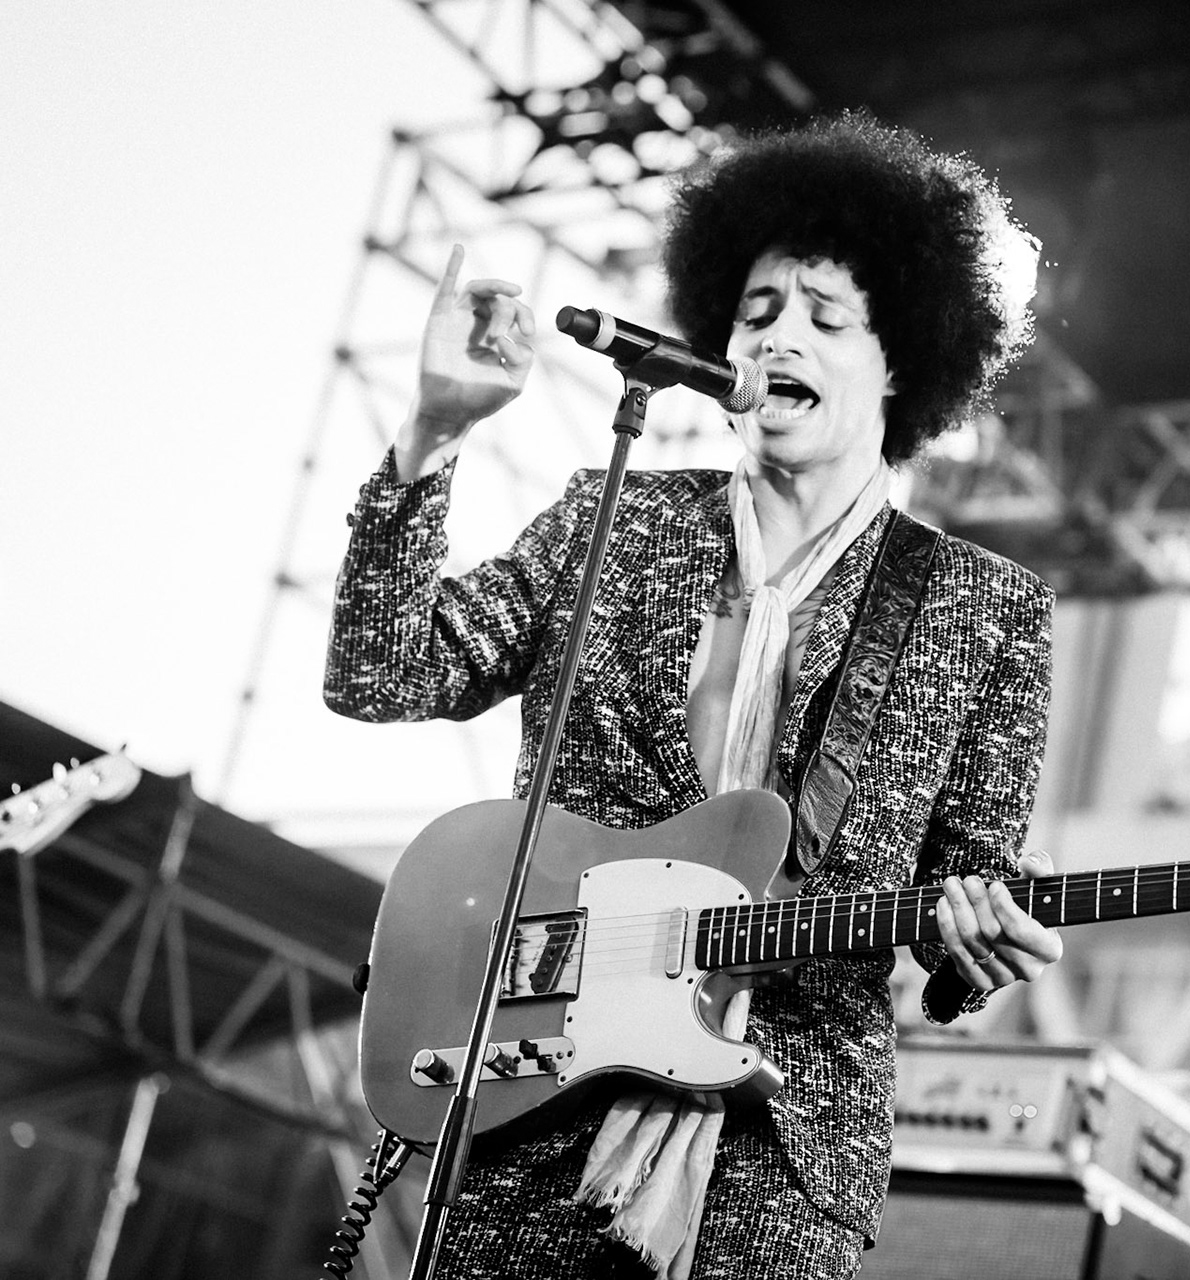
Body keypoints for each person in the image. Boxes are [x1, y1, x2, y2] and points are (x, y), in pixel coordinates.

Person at [324, 113, 1061, 1279]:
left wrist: (979, 935)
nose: (780, 340)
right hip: (533, 1086)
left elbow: (977, 881)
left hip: (779, 1137)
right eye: (758, 312)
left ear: (903, 360)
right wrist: (431, 435)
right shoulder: (610, 518)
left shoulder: (983, 608)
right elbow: (383, 672)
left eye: (827, 318)